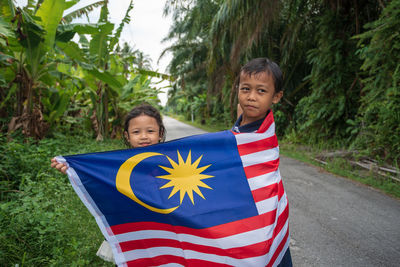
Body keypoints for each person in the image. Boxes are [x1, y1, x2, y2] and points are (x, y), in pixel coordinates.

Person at [50, 103, 166, 263]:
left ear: (160, 133)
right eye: (136, 132)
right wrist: (72, 169)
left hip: (163, 229)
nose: (144, 136)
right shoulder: (117, 164)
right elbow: (96, 179)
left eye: (150, 131)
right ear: (127, 136)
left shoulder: (171, 161)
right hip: (133, 227)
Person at [232, 57, 292, 266]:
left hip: (266, 204)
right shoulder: (238, 125)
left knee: (268, 245)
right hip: (241, 207)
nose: (251, 97)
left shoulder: (263, 133)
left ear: (276, 97)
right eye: (245, 89)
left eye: (261, 91)